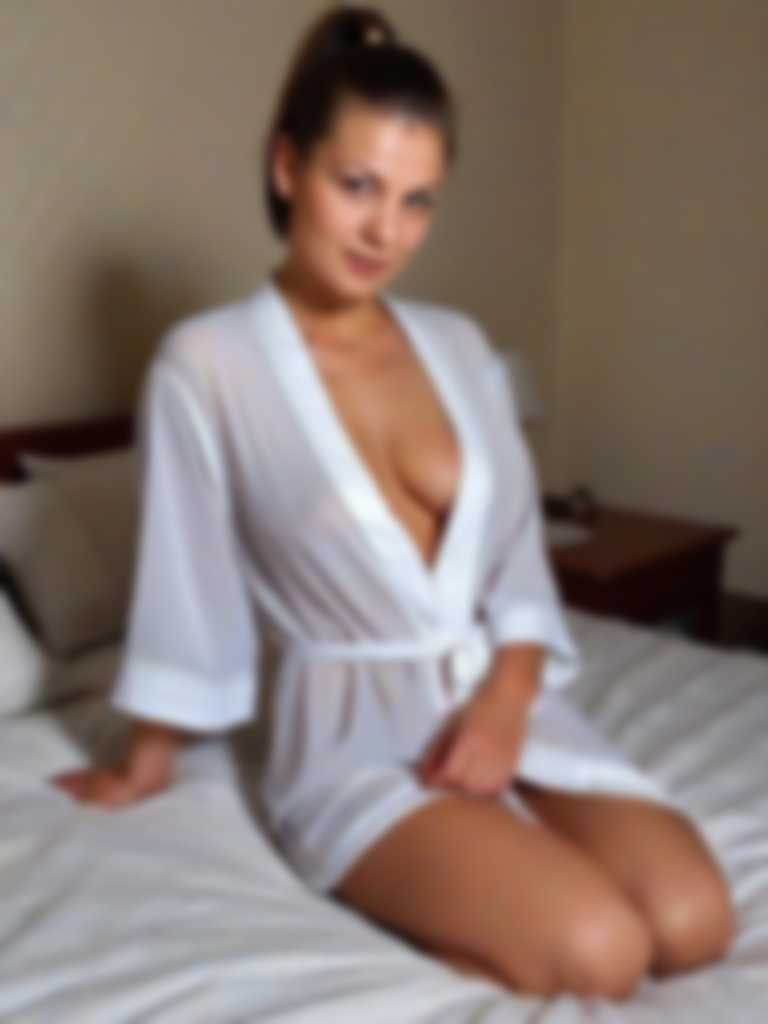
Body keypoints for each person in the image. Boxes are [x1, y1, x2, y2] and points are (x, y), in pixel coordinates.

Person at [51, 5, 734, 998]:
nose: (386, 231)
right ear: (288, 166)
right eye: (358, 185)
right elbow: (184, 591)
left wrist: (504, 707)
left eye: (417, 202)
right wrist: (138, 765)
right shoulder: (206, 365)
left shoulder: (458, 344)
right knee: (603, 952)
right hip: (348, 739)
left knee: (695, 921)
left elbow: (517, 566)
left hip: (493, 700)